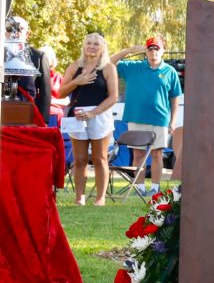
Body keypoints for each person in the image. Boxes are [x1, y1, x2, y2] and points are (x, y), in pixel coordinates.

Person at [110, 36, 182, 194]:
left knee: (157, 153)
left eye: (157, 48)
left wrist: (173, 121)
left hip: (160, 119)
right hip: (136, 117)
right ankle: (139, 188)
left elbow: (175, 99)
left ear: (162, 51)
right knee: (138, 153)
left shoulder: (170, 71)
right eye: (150, 48)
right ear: (145, 51)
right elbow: (109, 63)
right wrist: (128, 51)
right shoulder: (133, 67)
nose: (153, 52)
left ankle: (155, 189)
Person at [57, 33, 118, 206]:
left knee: (100, 158)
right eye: (89, 43)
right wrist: (77, 81)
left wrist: (94, 113)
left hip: (100, 114)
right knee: (80, 159)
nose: (92, 47)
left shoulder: (108, 68)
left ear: (102, 47)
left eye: (96, 44)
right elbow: (61, 93)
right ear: (84, 46)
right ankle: (79, 198)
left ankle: (100, 199)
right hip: (77, 115)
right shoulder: (74, 66)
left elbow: (113, 97)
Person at [6, 15, 51, 121]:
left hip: (27, 115)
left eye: (20, 29)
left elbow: (45, 92)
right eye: (10, 28)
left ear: (27, 34)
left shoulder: (38, 56)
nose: (15, 32)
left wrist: (43, 120)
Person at [37, 45, 69, 127]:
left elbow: (67, 101)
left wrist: (50, 101)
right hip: (36, 113)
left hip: (54, 115)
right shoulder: (33, 76)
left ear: (52, 60)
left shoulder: (58, 77)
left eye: (46, 57)